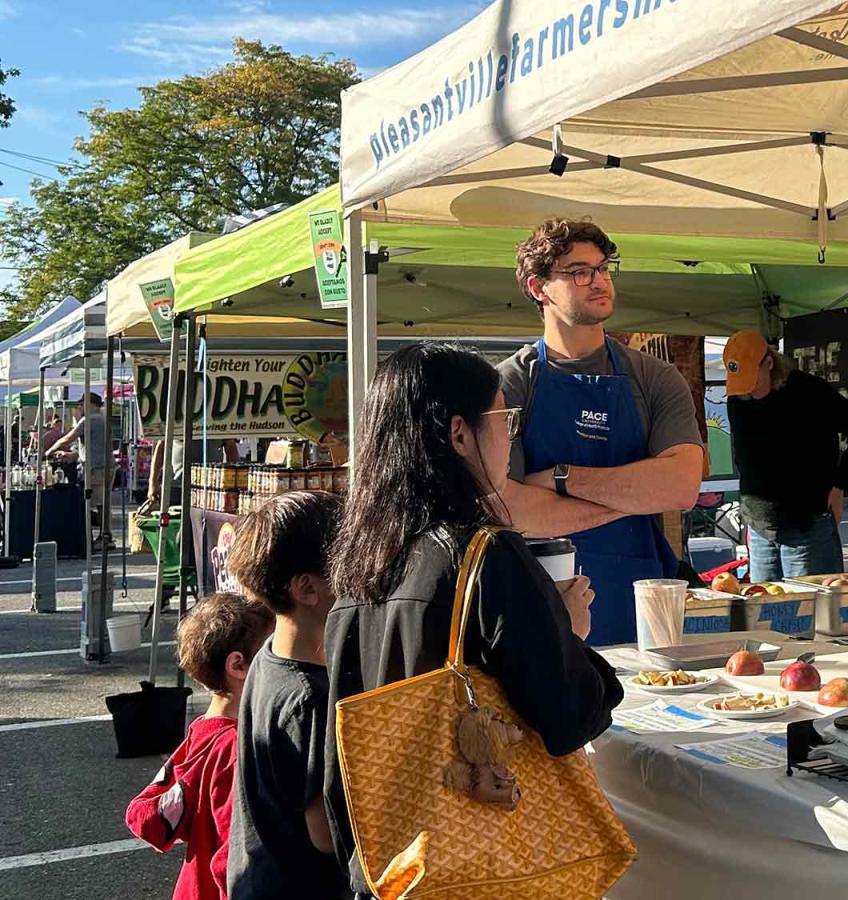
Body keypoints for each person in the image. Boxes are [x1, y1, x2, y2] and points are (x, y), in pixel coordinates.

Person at [324, 343, 623, 896]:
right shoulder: (485, 554)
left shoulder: (360, 561)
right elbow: (568, 715)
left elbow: (339, 746)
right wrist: (571, 634)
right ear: (460, 433)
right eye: (503, 418)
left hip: (391, 866)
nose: (511, 437)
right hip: (482, 862)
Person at [496, 217, 704, 645]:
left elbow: (682, 487)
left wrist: (561, 478)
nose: (599, 282)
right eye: (579, 272)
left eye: (604, 268)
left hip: (642, 604)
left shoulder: (656, 379)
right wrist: (635, 495)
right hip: (541, 610)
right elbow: (512, 510)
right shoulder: (508, 386)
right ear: (538, 288)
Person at [225, 490, 348, 900]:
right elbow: (327, 835)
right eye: (348, 560)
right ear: (307, 589)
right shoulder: (310, 698)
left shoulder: (268, 657)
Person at [126, 591, 274, 900]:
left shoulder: (202, 731)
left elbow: (149, 815)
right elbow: (235, 857)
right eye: (272, 652)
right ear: (238, 666)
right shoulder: (234, 748)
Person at [722, 329, 848, 580]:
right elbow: (744, 457)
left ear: (769, 363)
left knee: (812, 614)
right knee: (765, 614)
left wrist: (840, 485)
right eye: (741, 384)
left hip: (807, 524)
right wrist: (751, 515)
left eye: (753, 381)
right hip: (760, 528)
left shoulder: (809, 391)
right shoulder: (738, 400)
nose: (748, 391)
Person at [48, 392, 113, 546]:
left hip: (96, 468)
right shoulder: (103, 419)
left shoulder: (89, 419)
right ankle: (105, 536)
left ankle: (104, 537)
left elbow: (69, 437)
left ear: (91, 403)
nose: (80, 407)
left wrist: (48, 451)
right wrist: (71, 455)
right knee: (103, 502)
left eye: (82, 403)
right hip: (106, 465)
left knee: (96, 504)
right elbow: (92, 446)